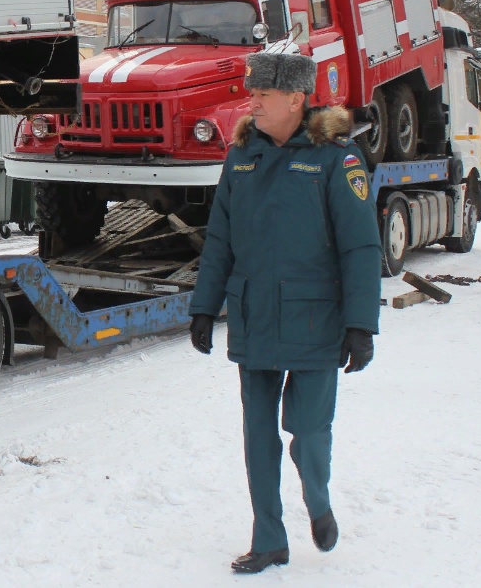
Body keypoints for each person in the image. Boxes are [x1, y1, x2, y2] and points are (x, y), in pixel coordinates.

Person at [189, 51, 382, 574]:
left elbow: (361, 247)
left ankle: (317, 499)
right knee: (258, 436)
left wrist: (361, 323)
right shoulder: (242, 157)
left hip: (316, 318)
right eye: (253, 94)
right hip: (254, 314)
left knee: (310, 431)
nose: (252, 103)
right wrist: (204, 307)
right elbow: (221, 239)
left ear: (296, 100)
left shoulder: (336, 160)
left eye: (263, 95)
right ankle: (269, 538)